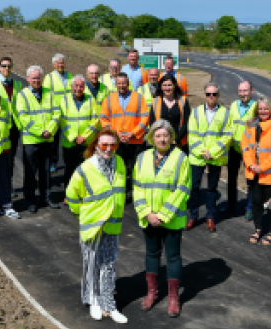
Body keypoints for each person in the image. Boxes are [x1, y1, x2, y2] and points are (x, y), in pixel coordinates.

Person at [65, 128, 128, 324]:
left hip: (112, 223)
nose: (108, 149)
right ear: (96, 146)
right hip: (92, 225)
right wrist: (81, 213)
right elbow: (71, 195)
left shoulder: (119, 163)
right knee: (91, 264)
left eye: (112, 145)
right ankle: (93, 301)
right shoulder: (85, 168)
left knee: (108, 265)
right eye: (104, 145)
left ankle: (109, 304)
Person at [133, 119, 191, 318]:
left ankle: (174, 298)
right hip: (149, 217)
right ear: (152, 138)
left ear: (171, 137)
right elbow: (137, 187)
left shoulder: (181, 158)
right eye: (158, 135)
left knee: (173, 256)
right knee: (152, 254)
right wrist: (148, 213)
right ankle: (152, 293)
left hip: (171, 218)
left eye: (166, 135)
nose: (162, 138)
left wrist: (163, 215)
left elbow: (183, 189)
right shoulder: (141, 158)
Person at [14, 65, 62, 213]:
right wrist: (41, 132)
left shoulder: (49, 93)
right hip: (31, 141)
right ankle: (31, 201)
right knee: (30, 172)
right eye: (33, 78)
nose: (36, 80)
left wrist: (50, 130)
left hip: (47, 140)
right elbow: (23, 118)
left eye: (38, 77)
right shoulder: (22, 95)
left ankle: (46, 198)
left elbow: (56, 113)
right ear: (28, 79)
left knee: (46, 171)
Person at [185, 83, 232, 232]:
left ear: (218, 96)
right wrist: (202, 151)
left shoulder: (225, 113)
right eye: (208, 94)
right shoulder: (196, 112)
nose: (211, 97)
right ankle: (193, 216)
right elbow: (192, 133)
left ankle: (210, 216)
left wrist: (212, 152)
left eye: (214, 94)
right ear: (205, 95)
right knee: (194, 187)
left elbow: (227, 135)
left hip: (215, 157)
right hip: (198, 156)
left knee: (212, 188)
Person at [242, 97, 271, 245]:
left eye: (266, 108)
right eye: (260, 109)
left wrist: (261, 167)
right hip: (254, 173)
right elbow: (246, 147)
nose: (263, 111)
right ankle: (258, 229)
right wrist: (251, 165)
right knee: (256, 203)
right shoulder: (251, 125)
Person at [100, 73, 150, 200]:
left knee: (136, 169)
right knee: (118, 169)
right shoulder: (109, 99)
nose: (122, 86)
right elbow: (104, 119)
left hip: (135, 140)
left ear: (128, 84)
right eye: (119, 83)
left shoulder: (138, 98)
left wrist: (132, 133)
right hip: (116, 141)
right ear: (115, 84)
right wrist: (115, 133)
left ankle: (136, 193)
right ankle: (120, 192)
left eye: (124, 83)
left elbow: (145, 118)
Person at [0, 75, 21, 223]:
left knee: (4, 181)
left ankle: (6, 206)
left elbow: (7, 124)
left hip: (4, 150)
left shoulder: (4, 103)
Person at [59, 75, 101, 190]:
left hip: (86, 143)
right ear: (71, 87)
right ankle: (69, 194)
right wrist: (74, 137)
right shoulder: (65, 100)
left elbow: (95, 120)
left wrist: (84, 137)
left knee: (86, 169)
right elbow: (62, 121)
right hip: (69, 143)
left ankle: (85, 193)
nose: (78, 88)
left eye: (81, 86)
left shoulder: (91, 100)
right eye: (76, 85)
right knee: (70, 170)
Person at [227, 81, 258, 219]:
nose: (242, 94)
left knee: (250, 180)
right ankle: (231, 205)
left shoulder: (257, 107)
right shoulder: (233, 105)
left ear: (252, 91)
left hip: (249, 150)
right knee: (231, 178)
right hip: (233, 148)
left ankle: (250, 208)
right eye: (240, 91)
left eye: (245, 91)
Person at [0, 57, 23, 199]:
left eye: (9, 66)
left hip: (13, 127)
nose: (6, 68)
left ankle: (7, 186)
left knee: (10, 159)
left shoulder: (17, 84)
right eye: (4, 66)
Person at [44, 54, 73, 174]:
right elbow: (46, 97)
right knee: (54, 141)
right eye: (58, 63)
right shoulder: (49, 78)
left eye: (62, 63)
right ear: (53, 65)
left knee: (68, 138)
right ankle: (53, 163)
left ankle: (67, 161)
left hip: (68, 113)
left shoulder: (70, 76)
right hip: (55, 114)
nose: (60, 65)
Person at [147, 75, 190, 153]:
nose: (167, 88)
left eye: (169, 85)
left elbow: (187, 123)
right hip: (161, 142)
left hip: (179, 143)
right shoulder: (155, 101)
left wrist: (176, 140)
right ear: (161, 87)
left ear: (174, 86)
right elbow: (152, 123)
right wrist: (160, 138)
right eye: (164, 85)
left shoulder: (183, 100)